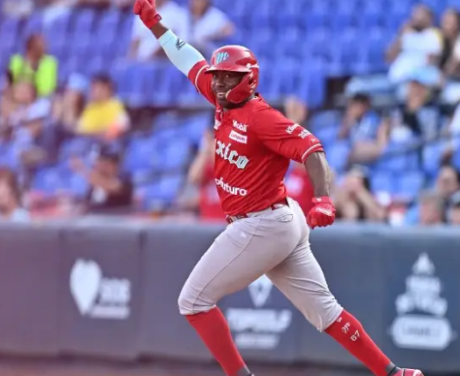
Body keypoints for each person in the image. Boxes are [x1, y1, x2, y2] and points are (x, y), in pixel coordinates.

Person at [131, 1, 423, 376]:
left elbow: (313, 150)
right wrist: (156, 24)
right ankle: (394, 373)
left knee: (193, 301)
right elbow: (186, 57)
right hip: (277, 222)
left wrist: (322, 198)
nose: (219, 82)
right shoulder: (221, 98)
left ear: (248, 80)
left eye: (228, 77)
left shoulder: (261, 117)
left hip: (260, 225)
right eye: (217, 75)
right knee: (326, 312)